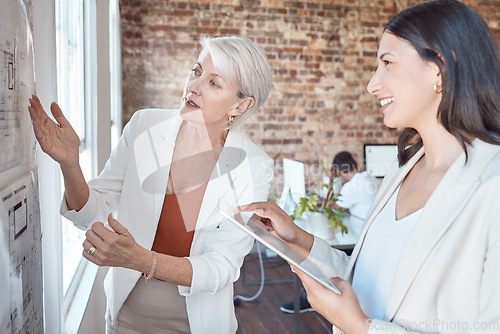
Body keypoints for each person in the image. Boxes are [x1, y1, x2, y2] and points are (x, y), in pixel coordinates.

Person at [241, 0, 500, 332]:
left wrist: (360, 327)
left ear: (440, 70)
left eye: (387, 63)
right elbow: (373, 278)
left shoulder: (492, 186)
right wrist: (299, 239)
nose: (372, 84)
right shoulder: (401, 171)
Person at [28, 36, 274, 334]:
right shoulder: (143, 126)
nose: (193, 86)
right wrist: (69, 163)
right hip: (128, 316)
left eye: (214, 83)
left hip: (199, 324)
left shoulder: (254, 166)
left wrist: (140, 259)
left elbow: (221, 268)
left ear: (241, 104)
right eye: (196, 71)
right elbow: (93, 215)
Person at [280, 151, 378, 314]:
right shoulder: (369, 178)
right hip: (369, 232)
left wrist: (326, 187)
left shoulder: (352, 187)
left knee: (320, 248)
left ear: (338, 171)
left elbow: (331, 207)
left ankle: (311, 298)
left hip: (360, 241)